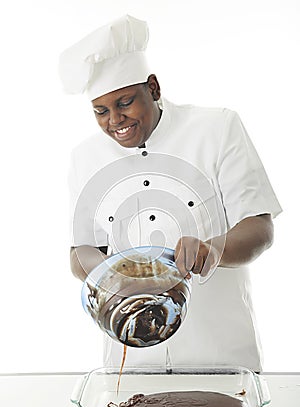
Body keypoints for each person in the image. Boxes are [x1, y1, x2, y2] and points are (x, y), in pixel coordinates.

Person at [59, 15, 282, 372]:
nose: (114, 120)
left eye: (125, 102)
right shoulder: (84, 158)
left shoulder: (217, 128)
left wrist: (212, 249)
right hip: (130, 360)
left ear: (154, 88)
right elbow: (81, 250)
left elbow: (259, 227)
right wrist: (111, 275)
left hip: (218, 353)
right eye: (101, 111)